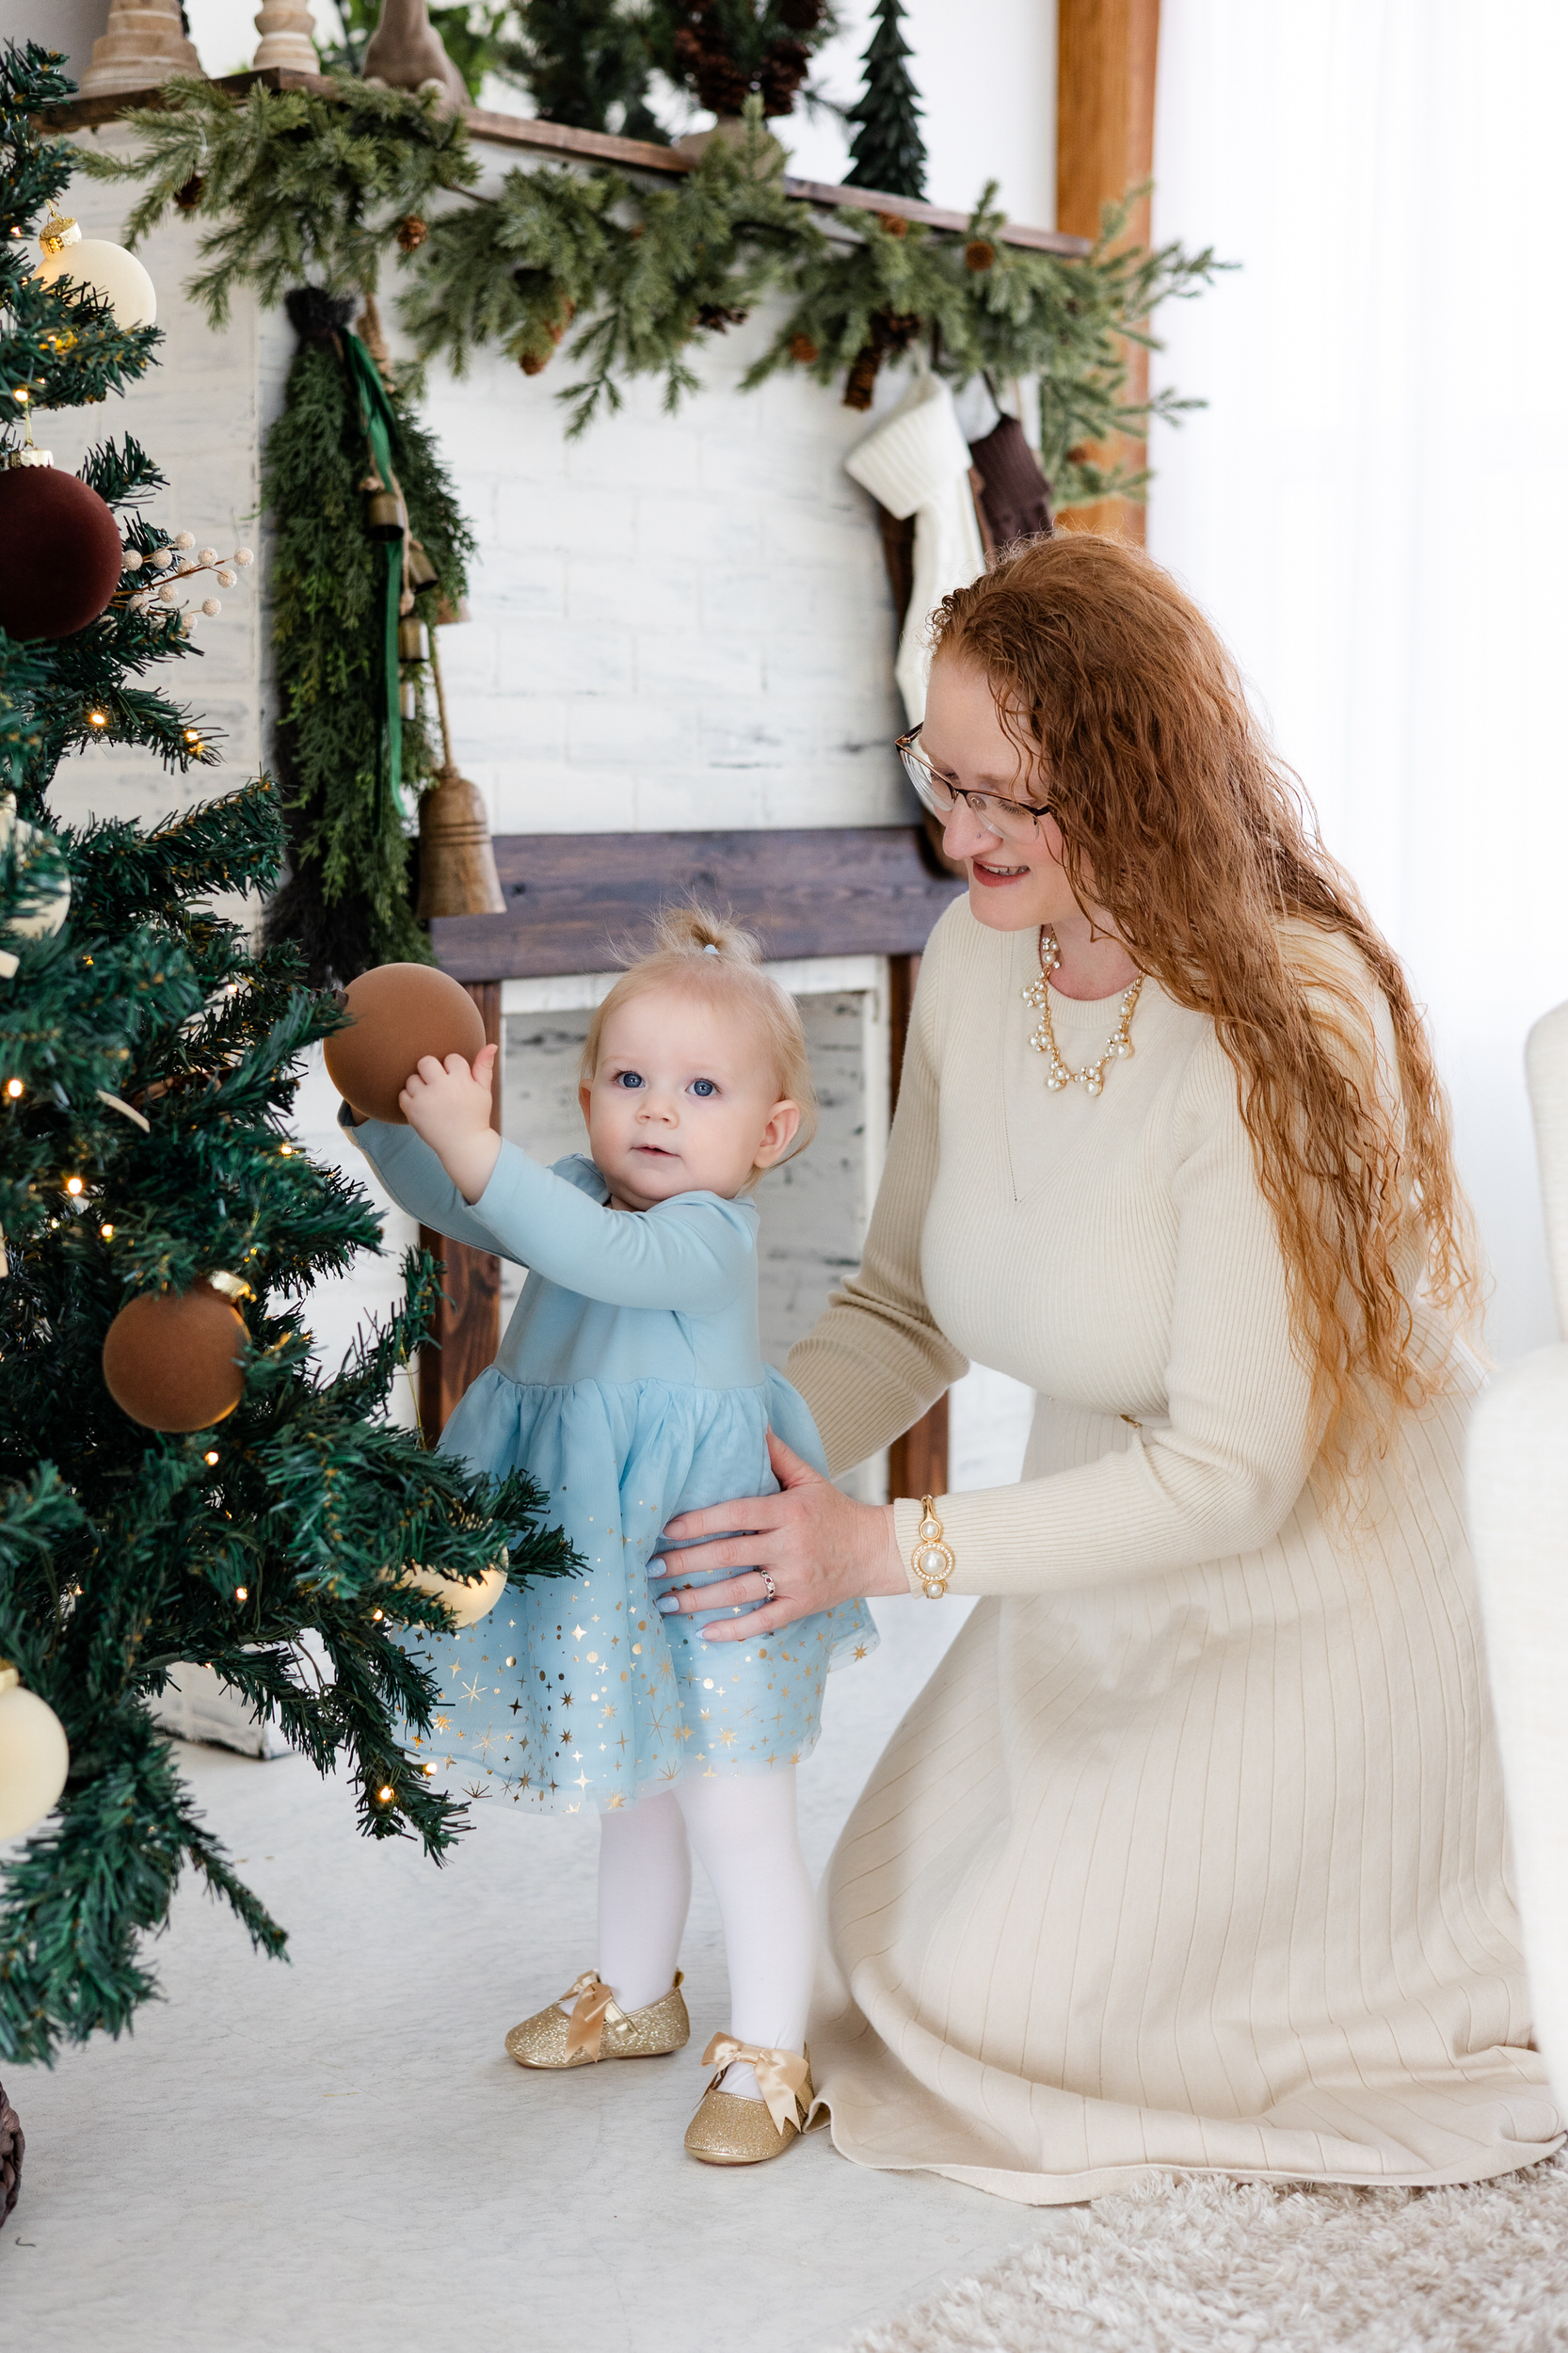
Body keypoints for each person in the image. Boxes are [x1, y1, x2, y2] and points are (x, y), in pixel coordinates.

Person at [650, 534, 1563, 2203]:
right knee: (895, 1942)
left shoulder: (1291, 1012)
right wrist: (727, 1447)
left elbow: (1232, 1475)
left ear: (1138, 775)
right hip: (1108, 1555)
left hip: (1318, 1589)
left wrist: (882, 1550)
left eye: (1009, 795)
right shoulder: (984, 949)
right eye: (944, 778)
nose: (958, 832)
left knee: (1016, 2007)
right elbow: (905, 1301)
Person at [341, 907, 875, 2168]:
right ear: (585, 1101)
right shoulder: (575, 1189)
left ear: (770, 1133)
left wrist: (480, 1154)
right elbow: (464, 1201)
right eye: (628, 1080)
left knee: (735, 1804)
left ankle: (771, 2048)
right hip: (597, 1550)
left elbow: (582, 1248)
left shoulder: (702, 1236)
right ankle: (634, 1993)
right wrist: (393, 1111)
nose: (657, 1111)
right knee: (630, 1783)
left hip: (707, 1556)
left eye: (700, 1089)